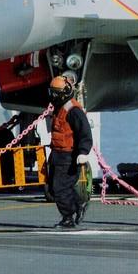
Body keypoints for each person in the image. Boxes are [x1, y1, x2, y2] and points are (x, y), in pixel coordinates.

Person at [47, 75, 92, 228]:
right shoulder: (59, 107)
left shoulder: (74, 111)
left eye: (55, 93)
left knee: (61, 189)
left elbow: (84, 132)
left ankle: (67, 218)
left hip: (68, 156)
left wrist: (83, 152)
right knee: (53, 188)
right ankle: (78, 205)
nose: (53, 96)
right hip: (56, 154)